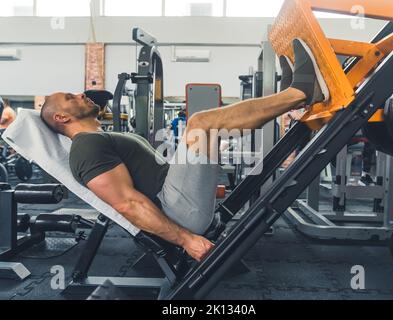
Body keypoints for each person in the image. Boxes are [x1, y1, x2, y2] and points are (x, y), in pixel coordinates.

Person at [39, 39, 330, 262]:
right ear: (61, 118)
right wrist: (186, 240)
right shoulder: (86, 147)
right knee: (200, 122)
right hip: (178, 210)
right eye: (69, 97)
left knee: (208, 130)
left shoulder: (99, 138)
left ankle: (293, 96)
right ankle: (300, 93)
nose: (80, 94)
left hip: (177, 198)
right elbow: (127, 204)